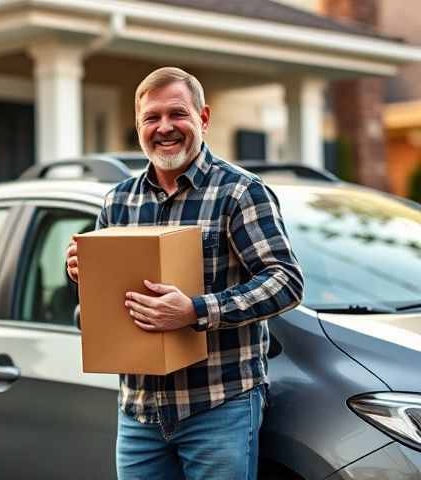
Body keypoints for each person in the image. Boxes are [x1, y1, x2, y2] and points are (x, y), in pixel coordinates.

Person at [65, 67, 304, 480]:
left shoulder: (240, 192)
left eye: (177, 114)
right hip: (138, 412)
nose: (164, 128)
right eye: (151, 118)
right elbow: (109, 301)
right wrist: (82, 271)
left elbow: (285, 281)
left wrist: (194, 311)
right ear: (138, 126)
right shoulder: (117, 202)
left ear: (204, 118)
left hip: (218, 407)